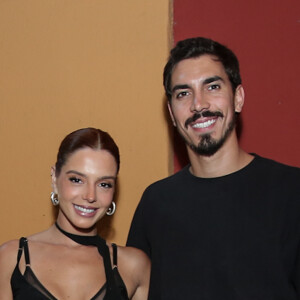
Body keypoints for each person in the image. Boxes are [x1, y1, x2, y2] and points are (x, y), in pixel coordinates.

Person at [127, 37, 300, 299]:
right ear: (172, 114)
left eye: (213, 87)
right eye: (183, 93)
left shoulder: (291, 191)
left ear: (238, 98)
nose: (199, 105)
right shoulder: (156, 203)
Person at [0, 127, 150, 300]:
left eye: (104, 184)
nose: (90, 196)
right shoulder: (11, 258)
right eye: (77, 180)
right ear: (54, 179)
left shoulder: (133, 267)